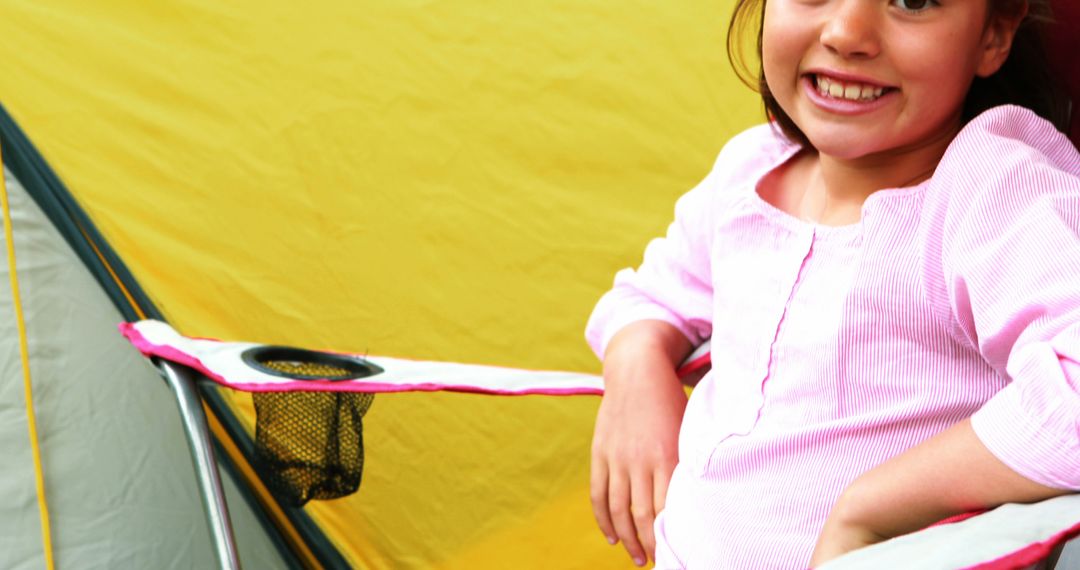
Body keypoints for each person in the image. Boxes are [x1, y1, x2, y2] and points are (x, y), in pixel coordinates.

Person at [584, 0, 1080, 567]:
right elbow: (650, 295)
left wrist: (868, 507)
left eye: (912, 1)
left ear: (993, 35)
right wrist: (635, 370)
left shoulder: (991, 190)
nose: (848, 33)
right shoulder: (751, 172)